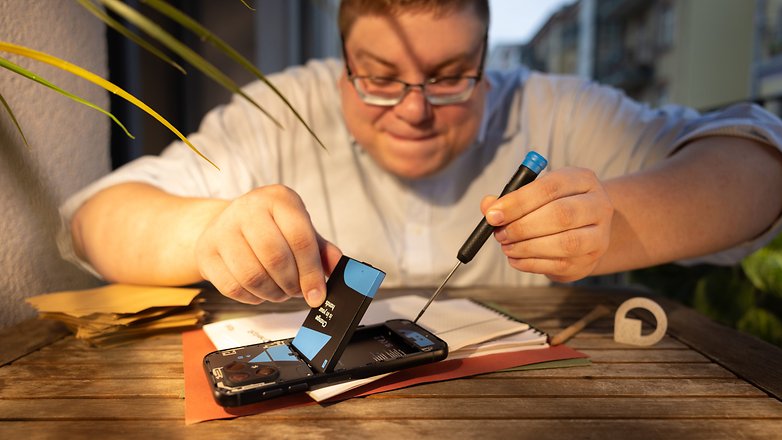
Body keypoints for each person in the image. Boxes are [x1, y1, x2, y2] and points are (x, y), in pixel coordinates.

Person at [60, 0, 782, 309]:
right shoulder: (281, 112)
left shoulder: (554, 109)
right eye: (377, 78)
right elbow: (93, 220)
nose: (413, 109)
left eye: (448, 77)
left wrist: (614, 219)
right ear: (339, 63)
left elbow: (760, 168)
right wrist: (207, 233)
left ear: (486, 60)